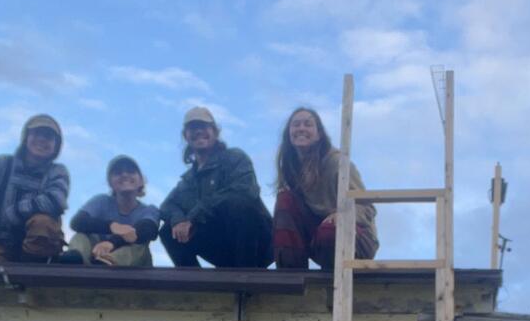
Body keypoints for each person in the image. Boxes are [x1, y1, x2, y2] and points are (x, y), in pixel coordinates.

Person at [158, 106, 272, 267]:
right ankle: (195, 285)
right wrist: (179, 220)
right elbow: (166, 206)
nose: (198, 131)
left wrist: (193, 217)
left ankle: (247, 282)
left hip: (257, 246)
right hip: (222, 248)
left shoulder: (235, 157)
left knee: (238, 204)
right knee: (168, 230)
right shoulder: (188, 180)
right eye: (192, 128)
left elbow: (245, 192)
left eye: (203, 126)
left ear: (215, 132)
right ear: (186, 136)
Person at [271, 106, 378, 268]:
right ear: (288, 133)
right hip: (318, 236)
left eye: (308, 124)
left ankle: (332, 284)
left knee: (329, 231)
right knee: (285, 199)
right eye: (296, 124)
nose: (301, 128)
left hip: (355, 238)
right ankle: (290, 274)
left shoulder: (337, 163)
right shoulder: (290, 168)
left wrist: (341, 215)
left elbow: (366, 207)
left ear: (319, 134)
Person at [0, 115, 75, 263]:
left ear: (56, 145)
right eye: (37, 134)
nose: (42, 140)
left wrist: (13, 213)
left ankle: (39, 271)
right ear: (26, 137)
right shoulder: (0, 165)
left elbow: (55, 201)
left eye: (49, 137)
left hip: (39, 250)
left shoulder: (58, 171)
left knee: (43, 223)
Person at [70, 155, 161, 267]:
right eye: (117, 173)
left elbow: (148, 229)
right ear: (110, 183)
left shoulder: (149, 210)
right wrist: (112, 226)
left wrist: (112, 242)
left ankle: (108, 261)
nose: (124, 175)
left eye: (131, 171)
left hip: (132, 267)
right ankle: (74, 260)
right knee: (81, 235)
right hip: (94, 256)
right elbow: (77, 222)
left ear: (141, 181)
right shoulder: (101, 201)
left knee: (138, 245)